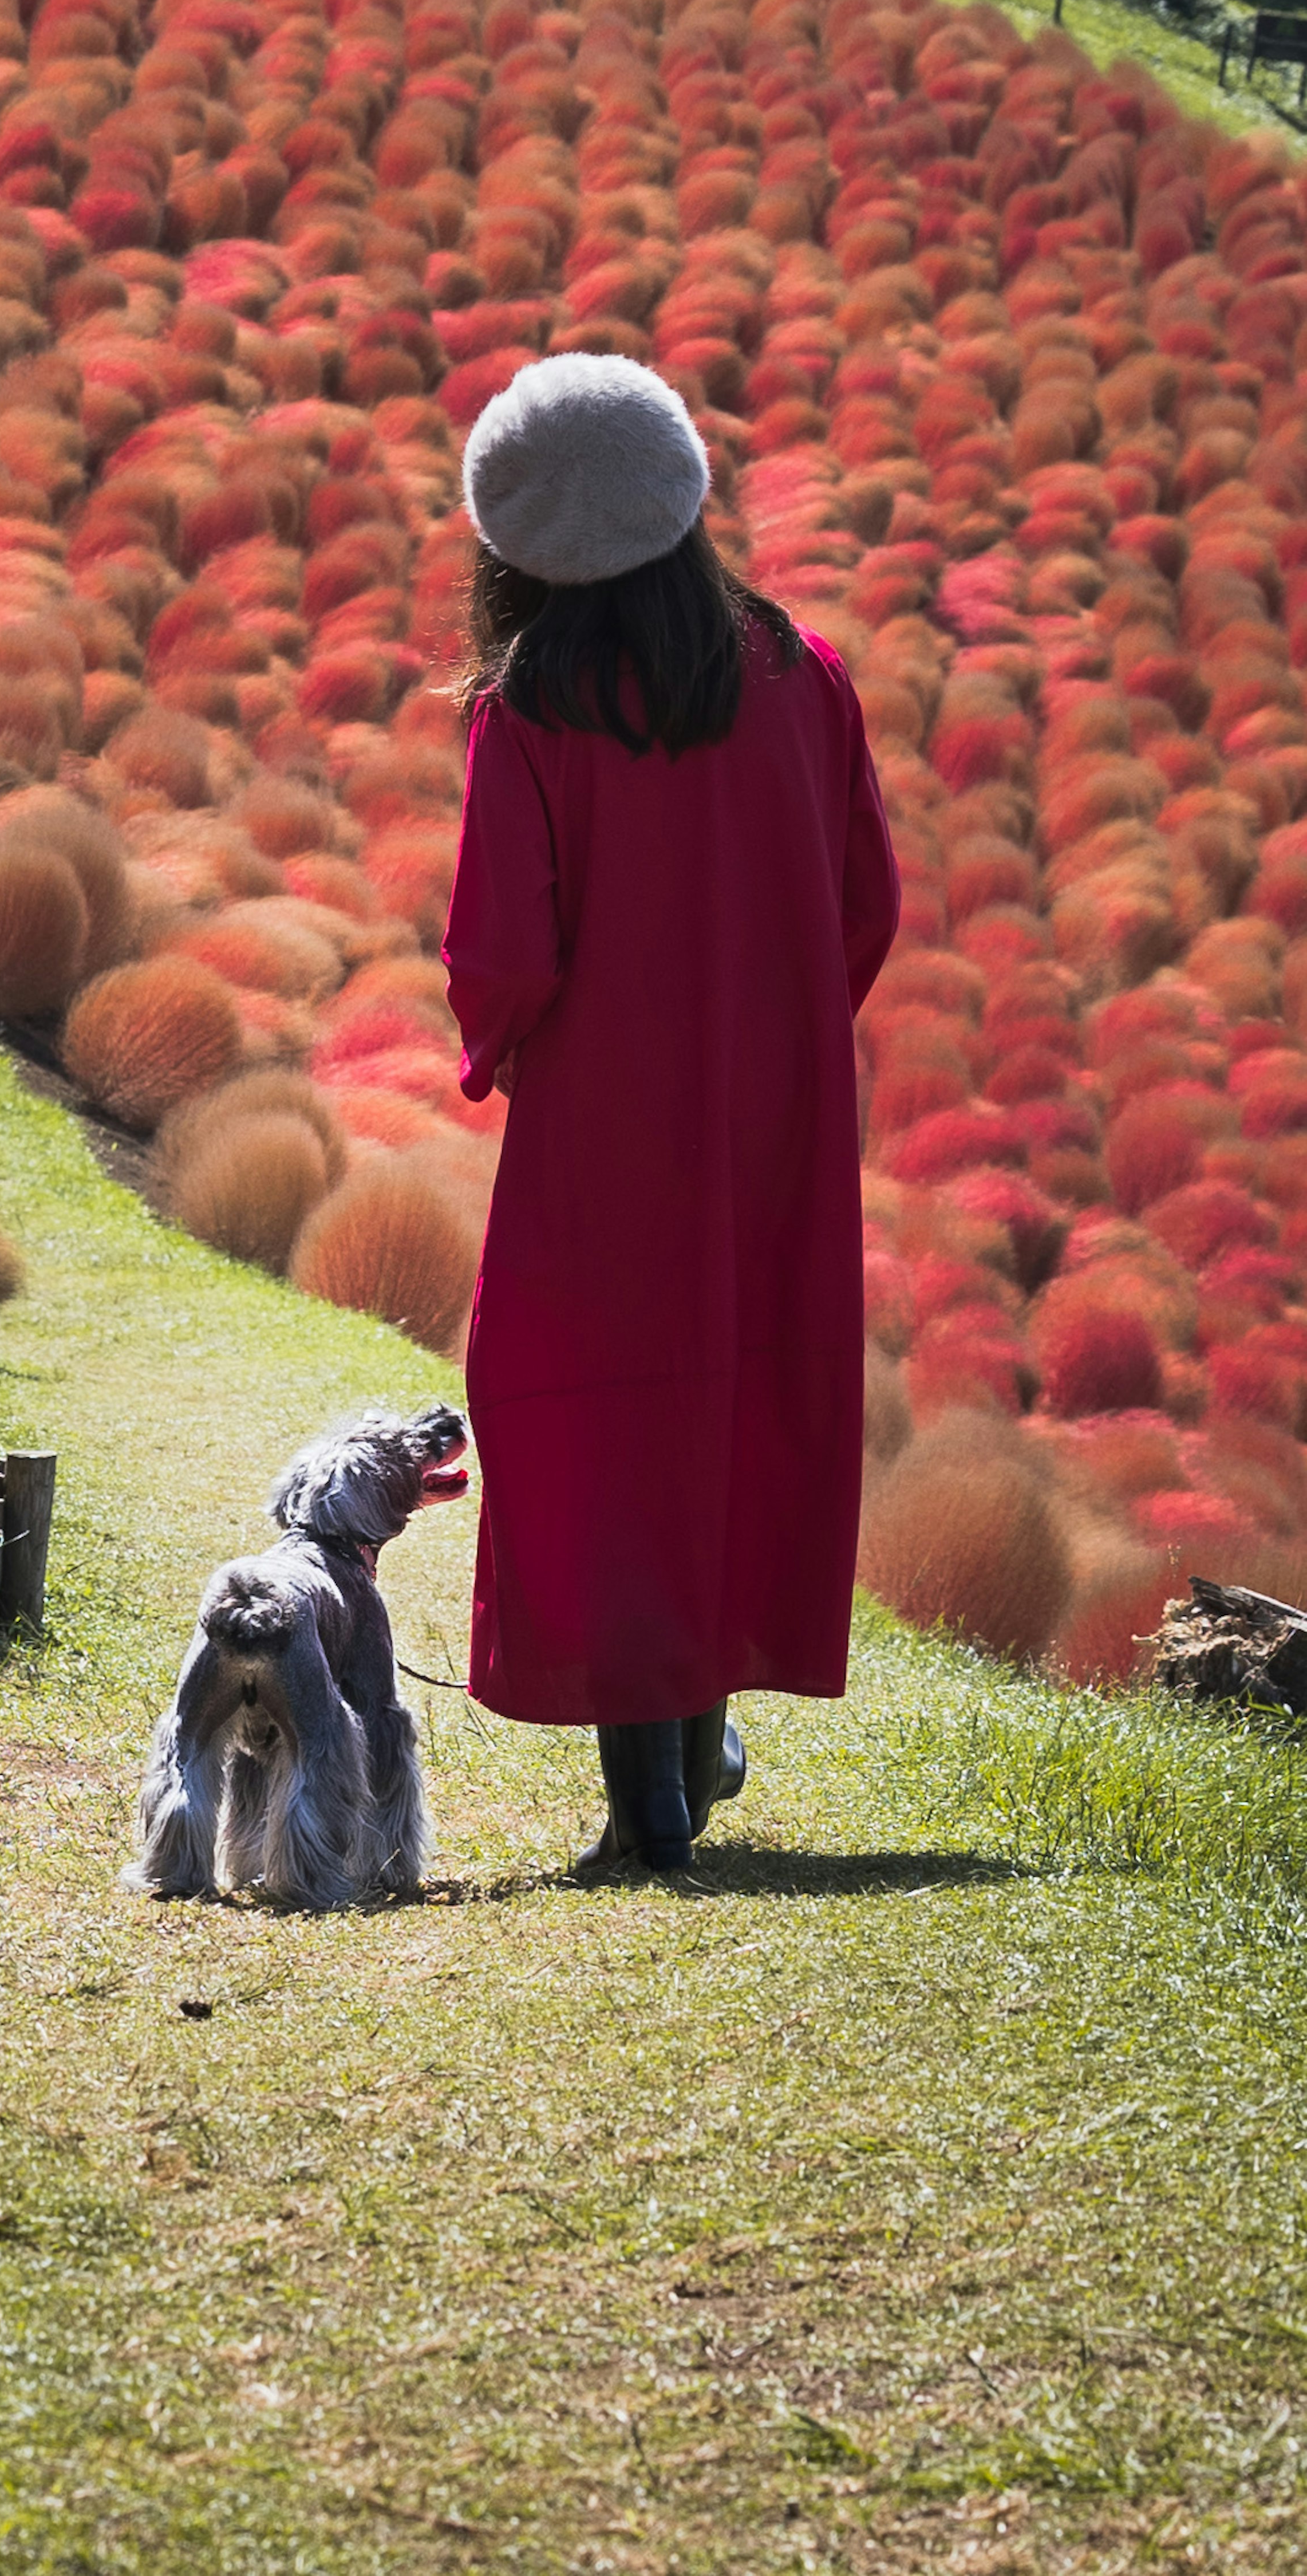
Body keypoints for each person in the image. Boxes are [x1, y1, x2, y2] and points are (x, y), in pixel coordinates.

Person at [440, 353, 901, 1874]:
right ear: (686, 502)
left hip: (602, 1140)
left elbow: (505, 957)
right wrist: (774, 1038)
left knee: (601, 1412)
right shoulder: (801, 672)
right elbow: (864, 905)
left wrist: (501, 1048)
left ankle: (656, 1789)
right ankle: (692, 1751)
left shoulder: (528, 715)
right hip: (772, 1132)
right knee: (730, 1401)